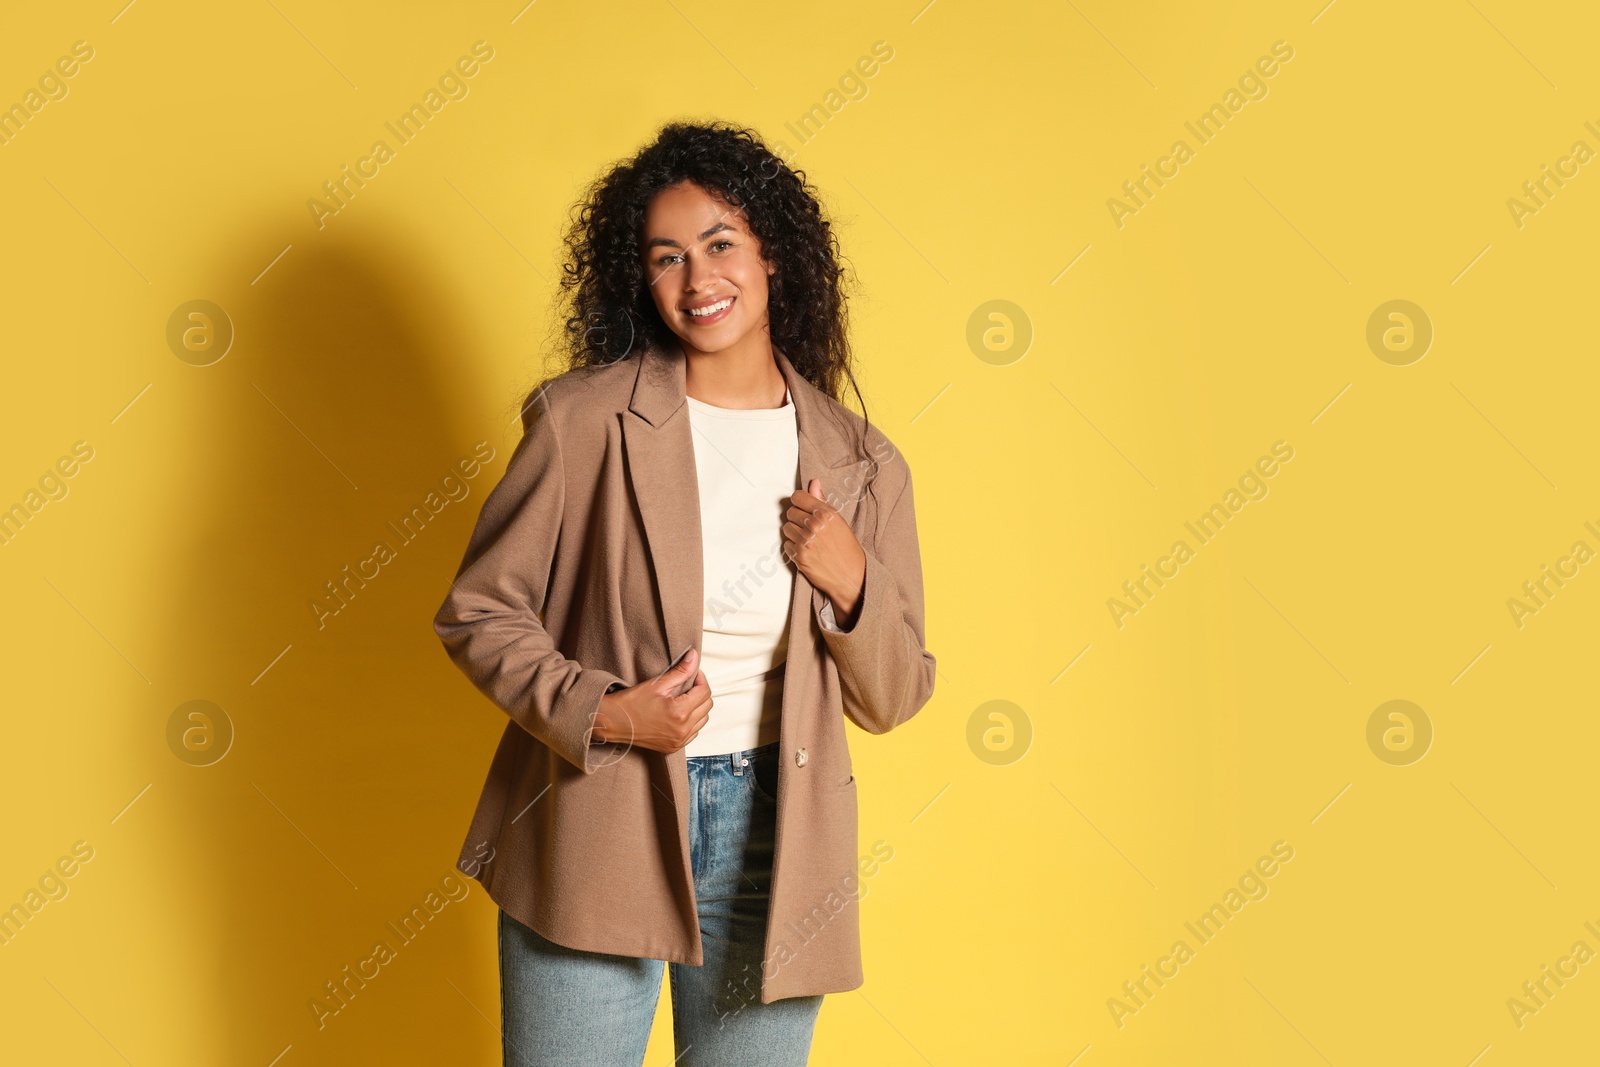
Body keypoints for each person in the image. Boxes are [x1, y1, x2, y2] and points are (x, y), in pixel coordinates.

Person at [433, 120, 936, 1067]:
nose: (698, 280)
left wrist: (853, 580)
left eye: (719, 246)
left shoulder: (864, 466)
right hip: (596, 821)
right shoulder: (582, 423)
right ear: (642, 278)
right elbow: (478, 611)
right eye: (667, 257)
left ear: (773, 255)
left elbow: (896, 695)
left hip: (777, 847)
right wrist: (609, 713)